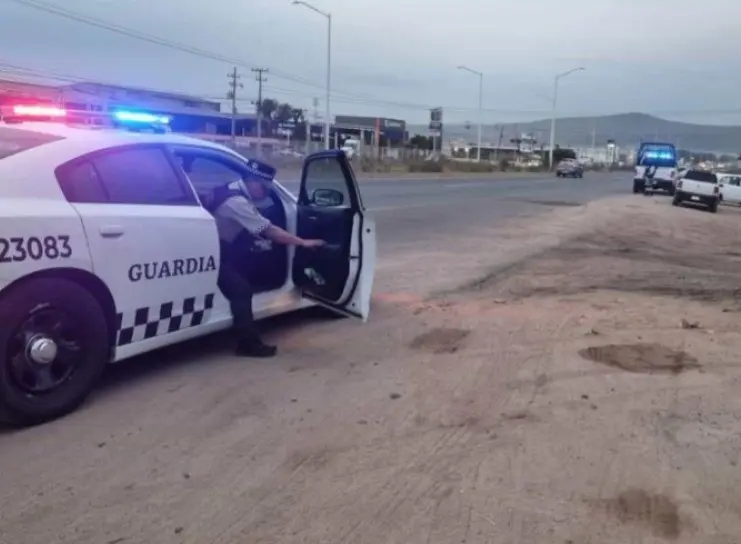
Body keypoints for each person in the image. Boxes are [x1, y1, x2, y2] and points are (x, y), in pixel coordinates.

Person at [209, 159, 324, 358]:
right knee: (241, 291)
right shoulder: (237, 203)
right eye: (264, 187)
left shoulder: (231, 189)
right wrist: (302, 242)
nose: (266, 192)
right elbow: (271, 232)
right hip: (214, 252)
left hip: (218, 245)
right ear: (253, 182)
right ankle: (248, 344)